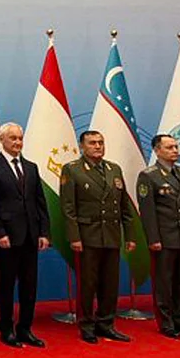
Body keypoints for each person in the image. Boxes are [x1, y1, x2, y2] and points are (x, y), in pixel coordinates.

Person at [60, 130, 137, 345]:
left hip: (111, 235)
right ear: (82, 147)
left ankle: (106, 323)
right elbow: (68, 208)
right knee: (88, 283)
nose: (97, 146)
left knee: (110, 283)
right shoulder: (73, 170)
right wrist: (74, 237)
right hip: (87, 236)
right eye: (92, 143)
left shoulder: (114, 169)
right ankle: (86, 325)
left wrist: (129, 235)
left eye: (101, 142)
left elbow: (124, 206)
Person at [0, 122, 50, 348]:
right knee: (7, 284)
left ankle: (25, 328)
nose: (18, 142)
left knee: (30, 285)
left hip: (30, 235)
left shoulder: (31, 167)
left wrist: (44, 232)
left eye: (20, 138)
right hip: (7, 238)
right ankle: (6, 327)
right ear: (2, 140)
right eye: (13, 139)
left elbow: (40, 202)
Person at [137, 134, 180, 339]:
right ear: (157, 151)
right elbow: (148, 211)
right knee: (164, 282)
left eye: (176, 147)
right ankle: (166, 322)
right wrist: (153, 239)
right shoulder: (149, 176)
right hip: (164, 238)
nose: (175, 150)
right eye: (169, 147)